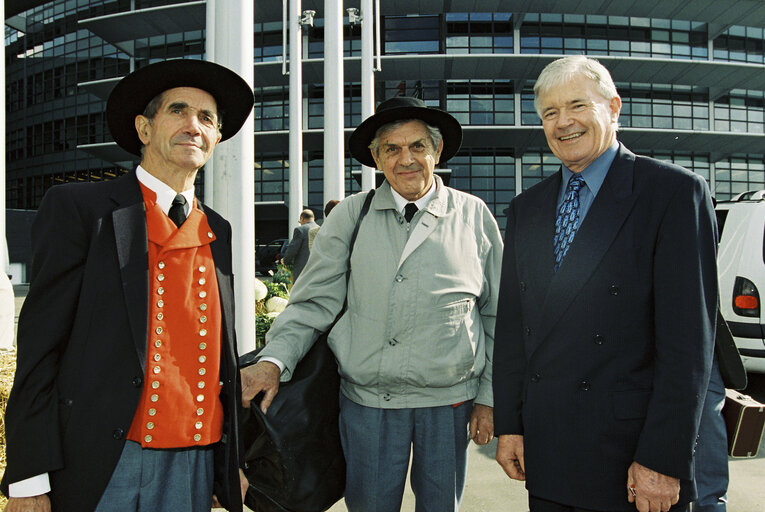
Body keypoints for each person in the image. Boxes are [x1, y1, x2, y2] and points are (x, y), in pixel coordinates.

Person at [0, 59, 254, 512]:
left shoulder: (220, 229)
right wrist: (27, 474)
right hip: (100, 458)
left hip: (194, 462)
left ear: (216, 138)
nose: (194, 126)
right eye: (178, 111)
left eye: (207, 119)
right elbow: (39, 347)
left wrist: (227, 462)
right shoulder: (80, 209)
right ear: (143, 127)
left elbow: (220, 355)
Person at [240, 96, 503, 511]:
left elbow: (494, 314)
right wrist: (273, 361)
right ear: (377, 159)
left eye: (418, 146)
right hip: (369, 402)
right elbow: (312, 303)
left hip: (449, 402)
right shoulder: (349, 215)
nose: (407, 159)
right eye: (392, 149)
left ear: (437, 152)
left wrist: (488, 397)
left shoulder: (473, 215)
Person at [493, 55, 717, 512]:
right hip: (549, 450)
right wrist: (510, 424)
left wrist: (662, 458)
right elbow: (515, 329)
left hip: (632, 459)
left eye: (577, 104)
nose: (563, 122)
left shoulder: (672, 194)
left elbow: (688, 346)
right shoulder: (527, 208)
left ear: (614, 107)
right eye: (549, 113)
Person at [282, 209, 318, 281]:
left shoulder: (300, 230)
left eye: (300, 221)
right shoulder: (320, 228)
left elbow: (293, 249)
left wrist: (285, 261)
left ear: (302, 218)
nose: (300, 223)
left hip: (302, 269)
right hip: (317, 267)